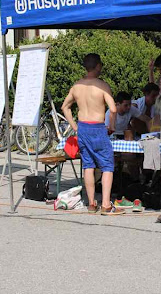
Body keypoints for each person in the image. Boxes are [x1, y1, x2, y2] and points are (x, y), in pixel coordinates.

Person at [61, 53, 124, 215]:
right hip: (97, 127)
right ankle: (105, 205)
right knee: (107, 166)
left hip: (83, 127)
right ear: (97, 66)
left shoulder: (76, 86)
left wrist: (75, 126)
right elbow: (114, 109)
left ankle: (91, 204)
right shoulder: (102, 86)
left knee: (88, 165)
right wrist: (111, 126)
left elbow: (65, 107)